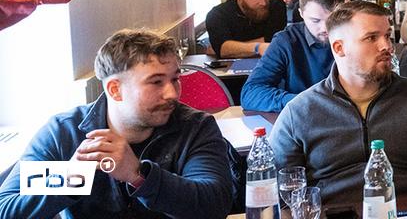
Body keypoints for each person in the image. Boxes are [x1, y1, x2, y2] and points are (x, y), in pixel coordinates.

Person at [0, 29, 233, 218]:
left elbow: (214, 205)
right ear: (115, 90)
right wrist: (71, 177)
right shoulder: (64, 133)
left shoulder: (194, 128)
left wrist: (138, 176)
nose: (172, 93)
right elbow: (6, 208)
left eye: (175, 79)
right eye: (156, 82)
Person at [270, 1, 407, 209]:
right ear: (339, 47)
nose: (387, 46)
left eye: (387, 36)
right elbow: (281, 195)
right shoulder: (299, 112)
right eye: (371, 38)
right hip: (334, 212)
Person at [242, 0, 344, 112]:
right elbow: (250, 93)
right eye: (315, 20)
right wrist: (305, 102)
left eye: (332, 19)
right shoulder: (285, 41)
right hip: (303, 116)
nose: (325, 28)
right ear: (301, 14)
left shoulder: (358, 35)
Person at [205, 0, 288, 58]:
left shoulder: (277, 6)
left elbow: (275, 40)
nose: (263, 2)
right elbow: (223, 49)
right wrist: (258, 47)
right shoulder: (218, 15)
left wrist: (233, 48)